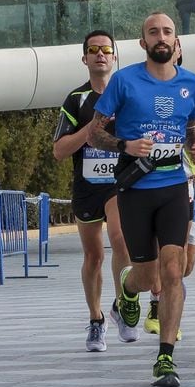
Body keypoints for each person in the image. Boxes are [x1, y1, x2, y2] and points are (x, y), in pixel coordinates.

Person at [89, 12, 195, 387]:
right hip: (136, 191)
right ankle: (127, 288)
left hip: (174, 187)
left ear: (176, 41)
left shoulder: (192, 83)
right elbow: (94, 134)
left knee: (173, 271)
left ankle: (166, 357)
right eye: (153, 32)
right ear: (142, 43)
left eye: (168, 31)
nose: (161, 37)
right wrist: (125, 144)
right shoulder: (124, 81)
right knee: (147, 276)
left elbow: (189, 130)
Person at [52, 30, 134, 352]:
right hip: (86, 188)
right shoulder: (76, 100)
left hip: (117, 183)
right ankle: (96, 319)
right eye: (93, 50)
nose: (100, 54)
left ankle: (123, 309)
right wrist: (90, 129)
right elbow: (59, 151)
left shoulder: (126, 95)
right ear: (84, 58)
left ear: (114, 57)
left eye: (106, 49)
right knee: (94, 257)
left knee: (120, 241)